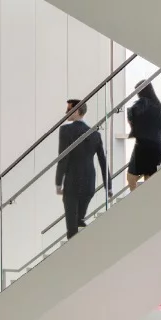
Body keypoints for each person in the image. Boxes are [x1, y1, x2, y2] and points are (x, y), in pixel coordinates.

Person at [54, 99, 108, 239]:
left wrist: (59, 182)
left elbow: (63, 157)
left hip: (72, 181)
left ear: (77, 111)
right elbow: (103, 160)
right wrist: (108, 186)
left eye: (69, 110)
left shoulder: (65, 130)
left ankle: (73, 255)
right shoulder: (95, 134)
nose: (66, 113)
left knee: (72, 228)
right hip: (89, 181)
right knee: (79, 220)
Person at [124, 83, 161, 190]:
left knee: (131, 178)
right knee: (149, 180)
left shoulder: (140, 106)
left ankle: (135, 202)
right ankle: (147, 203)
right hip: (157, 147)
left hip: (142, 146)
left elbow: (132, 121)